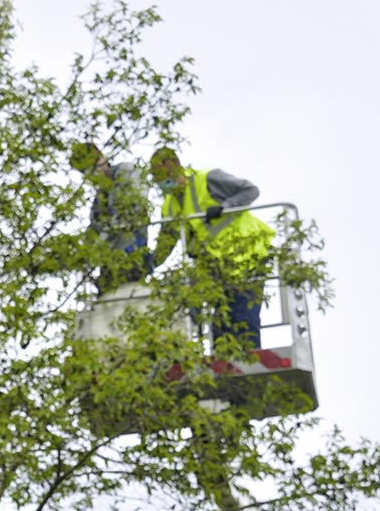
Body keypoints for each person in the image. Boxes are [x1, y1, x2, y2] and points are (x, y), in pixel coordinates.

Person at [149, 146, 274, 354]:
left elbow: (251, 190)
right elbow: (166, 244)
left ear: (176, 166)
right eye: (158, 178)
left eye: (166, 175)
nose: (164, 182)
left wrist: (225, 206)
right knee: (221, 326)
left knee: (244, 317)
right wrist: (148, 264)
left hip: (247, 256)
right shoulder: (169, 207)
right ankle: (227, 372)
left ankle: (253, 367)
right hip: (217, 271)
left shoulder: (207, 180)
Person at [71, 141, 154, 292]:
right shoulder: (100, 196)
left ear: (100, 157)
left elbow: (134, 209)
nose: (90, 175)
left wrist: (102, 239)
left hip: (133, 250)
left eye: (91, 168)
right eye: (85, 172)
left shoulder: (126, 172)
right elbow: (94, 228)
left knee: (130, 294)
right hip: (109, 260)